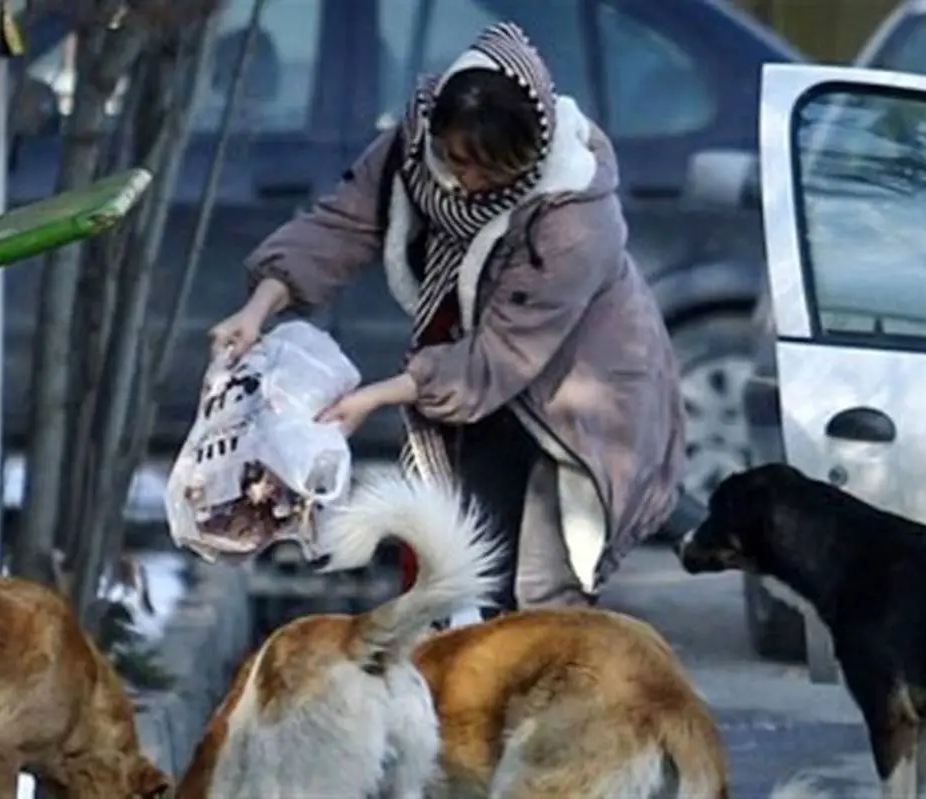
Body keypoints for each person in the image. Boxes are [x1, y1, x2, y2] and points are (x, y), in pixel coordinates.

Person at [209, 22, 685, 616]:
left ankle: (539, 700)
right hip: (466, 371)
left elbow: (504, 352)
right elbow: (342, 225)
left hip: (578, 389)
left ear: (534, 152)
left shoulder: (575, 215)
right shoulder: (412, 149)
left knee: (541, 587)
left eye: (497, 170)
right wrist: (259, 307)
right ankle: (458, 692)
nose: (470, 181)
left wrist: (377, 396)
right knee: (457, 560)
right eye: (460, 160)